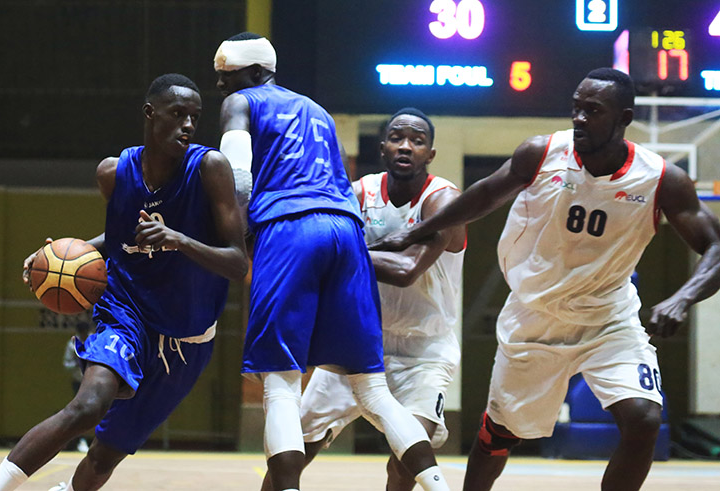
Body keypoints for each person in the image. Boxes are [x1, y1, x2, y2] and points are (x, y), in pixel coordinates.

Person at [371, 68, 720, 491]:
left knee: (644, 419)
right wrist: (415, 230)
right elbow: (482, 196)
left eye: (593, 110)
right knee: (500, 435)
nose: (579, 118)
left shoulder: (662, 178)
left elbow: (715, 248)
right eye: (576, 107)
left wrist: (682, 298)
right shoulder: (541, 153)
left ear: (623, 117)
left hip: (608, 317)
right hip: (534, 315)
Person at [0, 73, 248, 491]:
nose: (189, 125)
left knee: (104, 456)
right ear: (149, 113)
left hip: (188, 337)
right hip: (128, 311)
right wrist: (57, 258)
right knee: (87, 405)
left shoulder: (209, 168)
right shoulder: (113, 173)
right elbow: (121, 237)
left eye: (195, 117)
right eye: (178, 114)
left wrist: (179, 241)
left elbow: (237, 263)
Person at [214, 33, 450, 491]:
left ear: (258, 74)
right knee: (372, 390)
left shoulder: (242, 103)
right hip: (346, 232)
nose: (223, 88)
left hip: (287, 229)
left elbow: (236, 176)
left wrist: (236, 241)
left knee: (280, 383)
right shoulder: (318, 111)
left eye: (229, 79)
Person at [259, 108, 466, 491]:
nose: (406, 146)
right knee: (290, 453)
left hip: (423, 350)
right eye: (397, 138)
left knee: (404, 466)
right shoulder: (359, 193)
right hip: (356, 340)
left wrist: (341, 250)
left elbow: (406, 270)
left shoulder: (443, 201)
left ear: (430, 154)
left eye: (417, 141)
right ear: (383, 147)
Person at [63, 321, 92, 453]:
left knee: (98, 410)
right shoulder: (72, 344)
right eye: (82, 333)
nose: (84, 335)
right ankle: (81, 440)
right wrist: (76, 362)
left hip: (94, 381)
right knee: (81, 412)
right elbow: (66, 364)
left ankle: (100, 439)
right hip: (79, 381)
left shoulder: (94, 340)